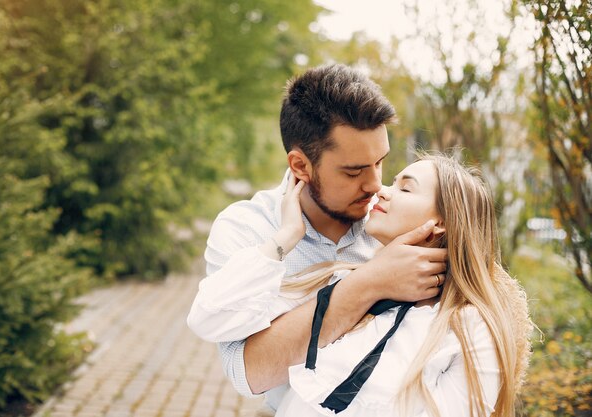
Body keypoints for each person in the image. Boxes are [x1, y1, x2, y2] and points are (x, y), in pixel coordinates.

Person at [187, 64, 447, 412]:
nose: (374, 185)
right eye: (353, 171)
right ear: (300, 166)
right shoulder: (246, 229)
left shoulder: (394, 217)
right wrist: (371, 283)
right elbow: (248, 372)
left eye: (379, 163)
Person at [271, 154, 533, 416]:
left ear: (441, 222)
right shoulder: (349, 283)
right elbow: (235, 319)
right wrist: (288, 234)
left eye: (405, 188)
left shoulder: (468, 327)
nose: (382, 191)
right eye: (393, 183)